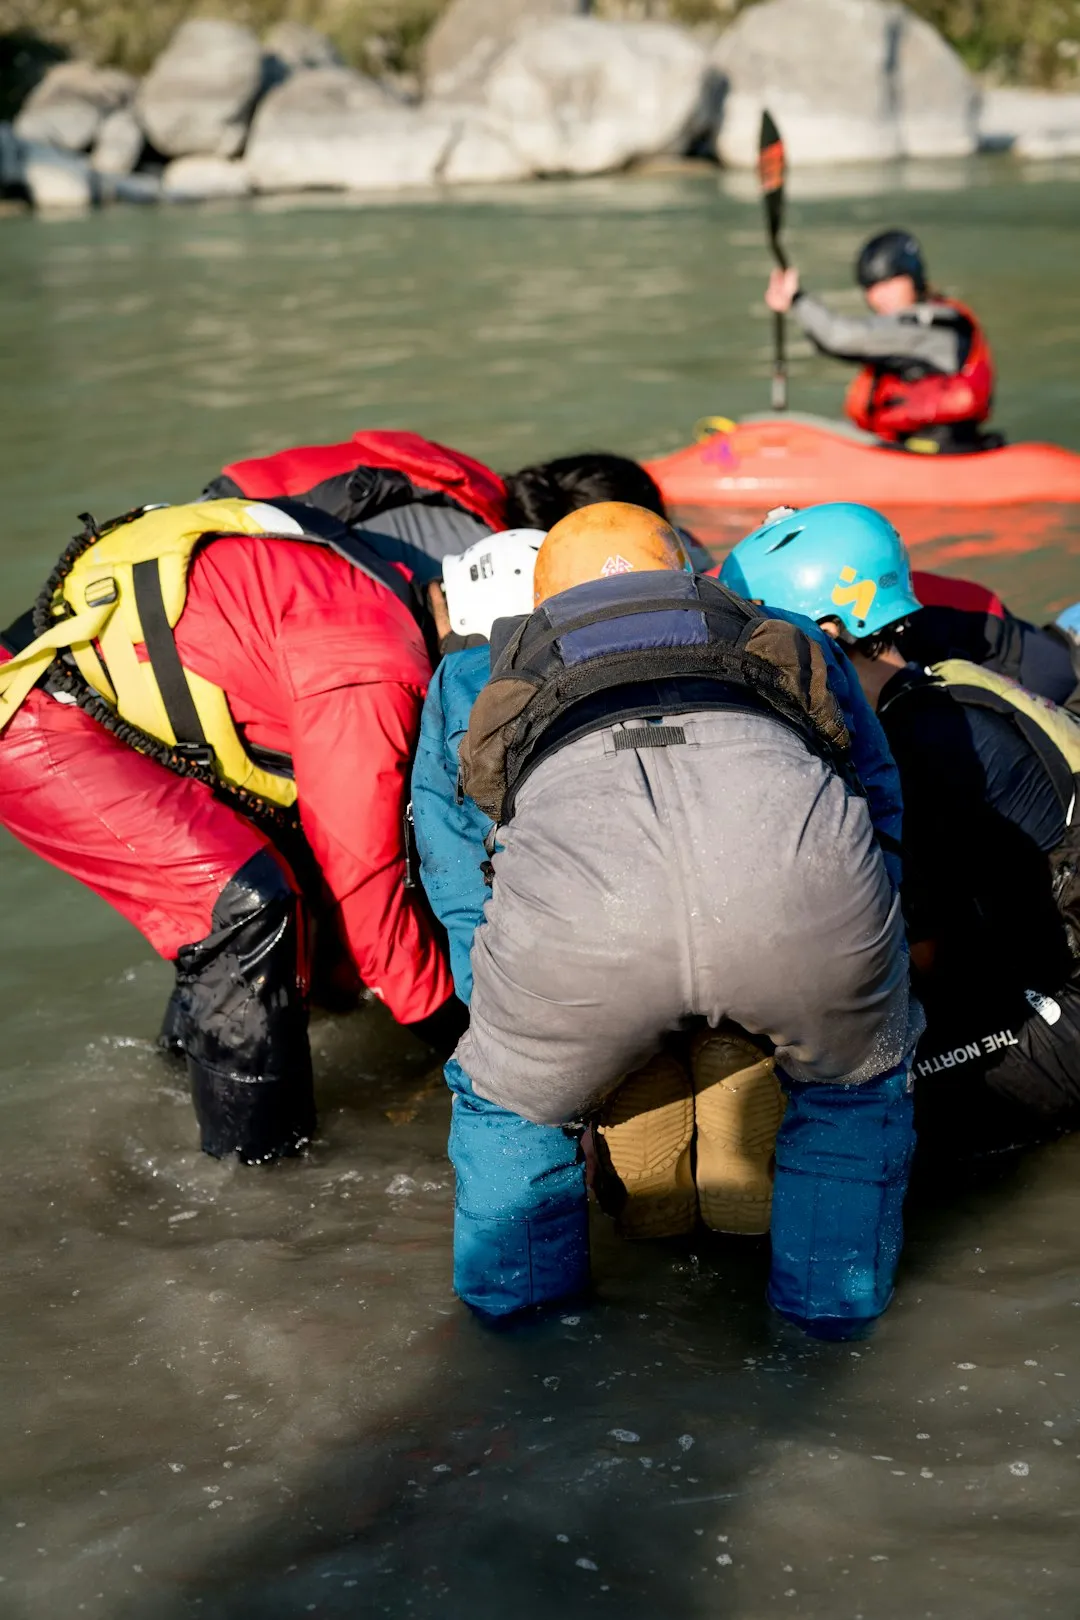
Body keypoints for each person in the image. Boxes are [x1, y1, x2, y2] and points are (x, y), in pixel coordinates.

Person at [415, 500, 922, 1337]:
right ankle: (829, 1327)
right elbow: (877, 800)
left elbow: (453, 860)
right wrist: (870, 967)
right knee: (854, 1089)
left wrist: (509, 1025)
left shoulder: (472, 673)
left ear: (542, 601)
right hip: (794, 892)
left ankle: (524, 1340)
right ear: (685, 574)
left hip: (586, 925)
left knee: (509, 1109)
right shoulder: (788, 631)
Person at [0, 495, 463, 1165]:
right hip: (38, 724)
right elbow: (368, 892)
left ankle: (168, 1085)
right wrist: (465, 1041)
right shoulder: (371, 667)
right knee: (248, 906)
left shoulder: (384, 587)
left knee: (265, 898)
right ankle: (260, 1186)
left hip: (82, 696)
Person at [721, 501, 1080, 1152]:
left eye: (764, 647)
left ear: (828, 632)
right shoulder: (936, 688)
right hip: (1044, 962)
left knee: (839, 1126)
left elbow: (921, 958)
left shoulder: (918, 747)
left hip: (1064, 1005)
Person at [765, 230, 996, 451]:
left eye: (889, 283)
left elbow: (838, 338)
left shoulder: (937, 325)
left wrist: (797, 299)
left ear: (913, 279)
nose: (879, 297)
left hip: (939, 451)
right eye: (871, 288)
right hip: (899, 446)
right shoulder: (901, 330)